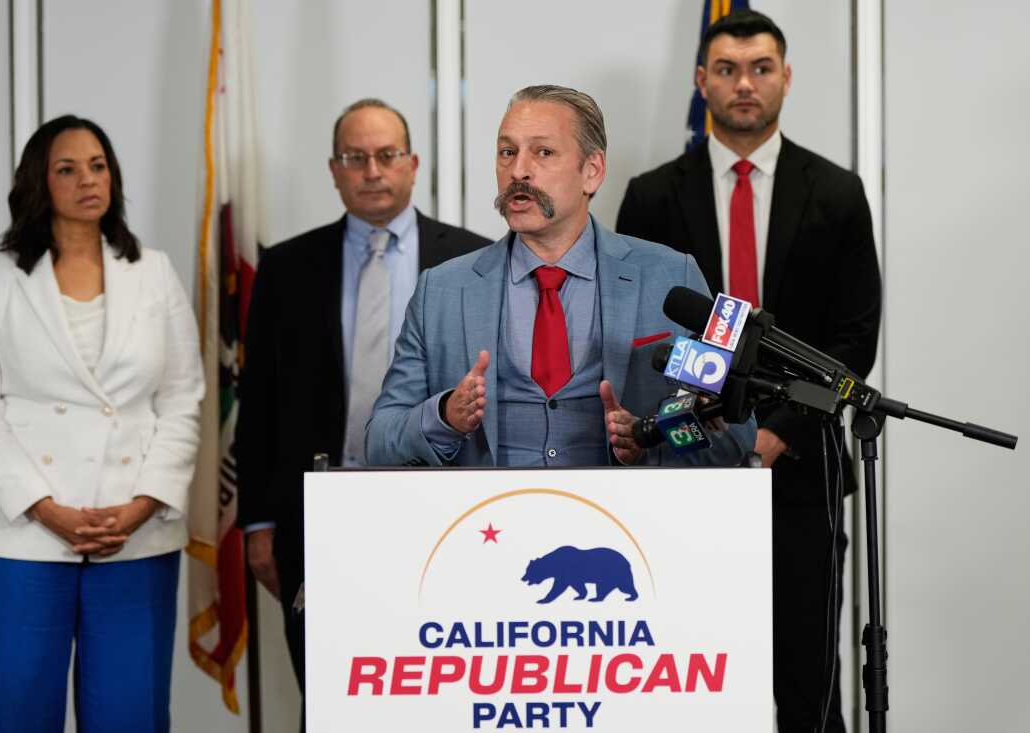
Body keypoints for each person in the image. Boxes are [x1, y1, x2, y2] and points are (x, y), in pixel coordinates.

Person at [615, 10, 882, 732]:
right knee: (685, 685)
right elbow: (636, 332)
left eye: (761, 69)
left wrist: (772, 437)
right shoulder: (650, 195)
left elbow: (852, 342)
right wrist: (701, 433)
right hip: (682, 468)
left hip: (803, 477)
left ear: (785, 79)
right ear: (700, 80)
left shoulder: (836, 192)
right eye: (727, 70)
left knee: (806, 687)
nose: (744, 85)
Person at [235, 98, 488, 720]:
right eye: (356, 158)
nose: (372, 170)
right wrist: (258, 522)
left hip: (442, 505)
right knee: (330, 699)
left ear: (413, 164)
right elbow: (260, 399)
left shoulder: (477, 261)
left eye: (386, 156)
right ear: (333, 168)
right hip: (318, 508)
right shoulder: (286, 266)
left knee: (442, 697)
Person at [0, 115, 204, 732]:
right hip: (24, 540)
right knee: (14, 710)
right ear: (39, 182)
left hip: (135, 538)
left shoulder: (155, 272)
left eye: (98, 165)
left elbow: (182, 399)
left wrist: (144, 503)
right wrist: (45, 508)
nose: (88, 179)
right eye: (67, 168)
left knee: (130, 714)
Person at [365, 84, 755, 470]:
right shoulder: (442, 290)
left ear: (592, 171)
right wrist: (445, 416)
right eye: (507, 152)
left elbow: (736, 433)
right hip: (487, 526)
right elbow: (380, 440)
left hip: (624, 525)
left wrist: (648, 439)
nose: (518, 170)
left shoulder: (671, 277)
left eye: (543, 152)